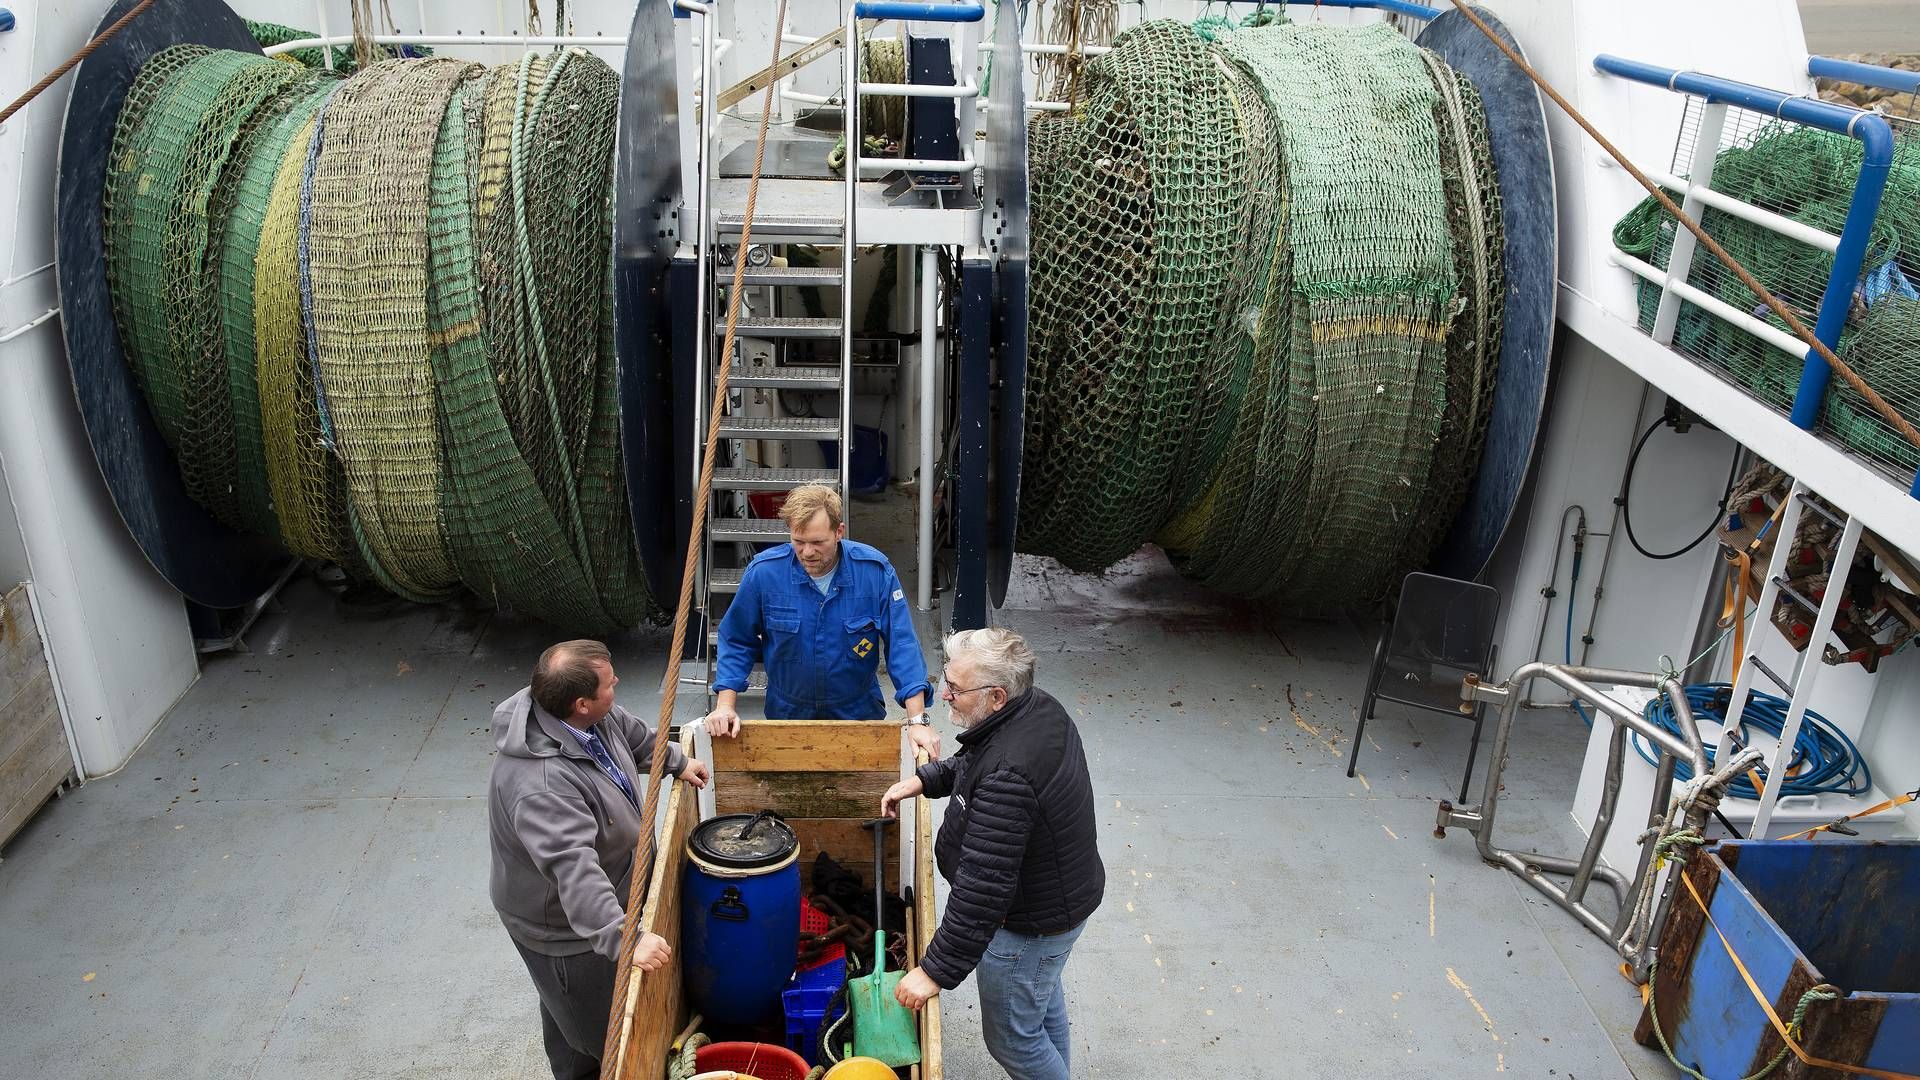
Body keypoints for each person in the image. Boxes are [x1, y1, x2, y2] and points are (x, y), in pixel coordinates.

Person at [881, 628, 1104, 1080]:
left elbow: (982, 890)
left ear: (997, 695)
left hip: (1027, 926)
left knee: (1013, 1039)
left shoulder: (1008, 777)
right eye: (945, 680)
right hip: (1060, 903)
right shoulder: (1037, 708)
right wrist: (928, 779)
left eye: (955, 689)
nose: (943, 695)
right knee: (1039, 1008)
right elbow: (977, 759)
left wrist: (933, 971)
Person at [488, 639, 712, 1080]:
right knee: (593, 1027)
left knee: (562, 1005)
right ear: (581, 703)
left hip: (602, 899)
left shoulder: (589, 720)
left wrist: (673, 760)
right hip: (564, 928)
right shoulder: (543, 784)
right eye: (610, 684)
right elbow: (574, 868)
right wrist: (621, 937)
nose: (618, 685)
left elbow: (633, 735)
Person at [705, 483, 940, 758]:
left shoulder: (875, 573)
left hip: (858, 716)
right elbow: (737, 639)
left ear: (839, 532)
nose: (807, 552)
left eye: (818, 542)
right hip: (787, 718)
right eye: (798, 541)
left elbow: (903, 646)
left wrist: (916, 721)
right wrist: (725, 705)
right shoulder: (764, 574)